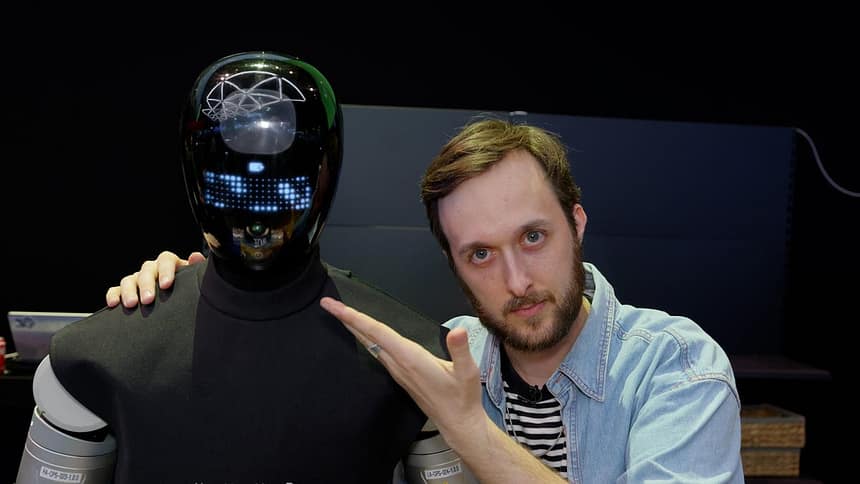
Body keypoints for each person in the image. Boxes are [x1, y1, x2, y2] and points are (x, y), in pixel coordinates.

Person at [107, 119, 744, 482]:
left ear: (575, 225)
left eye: (533, 237)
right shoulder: (439, 353)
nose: (517, 280)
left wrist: (468, 429)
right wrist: (203, 289)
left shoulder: (677, 366)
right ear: (453, 264)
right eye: (480, 254)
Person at [17, 51, 455, 484]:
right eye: (236, 185)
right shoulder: (93, 359)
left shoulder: (417, 357)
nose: (258, 221)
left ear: (324, 175)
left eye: (280, 186)